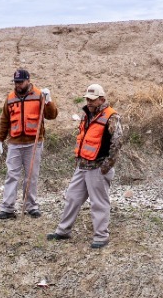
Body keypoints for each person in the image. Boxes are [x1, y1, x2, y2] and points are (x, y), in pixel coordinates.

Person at [46, 83, 123, 249]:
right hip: (82, 166)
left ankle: (101, 237)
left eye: (92, 99)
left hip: (98, 167)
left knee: (99, 203)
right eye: (87, 98)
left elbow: (117, 143)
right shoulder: (86, 115)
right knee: (72, 198)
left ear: (102, 99)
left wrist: (106, 167)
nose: (89, 102)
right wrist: (78, 162)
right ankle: (63, 231)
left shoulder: (112, 117)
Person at [0, 68, 58, 219]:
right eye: (16, 82)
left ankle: (31, 206)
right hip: (14, 143)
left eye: (20, 82)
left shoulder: (39, 95)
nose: (18, 85)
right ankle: (7, 208)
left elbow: (52, 115)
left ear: (28, 80)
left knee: (31, 176)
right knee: (12, 175)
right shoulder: (10, 98)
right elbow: (4, 120)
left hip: (33, 143)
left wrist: (48, 101)